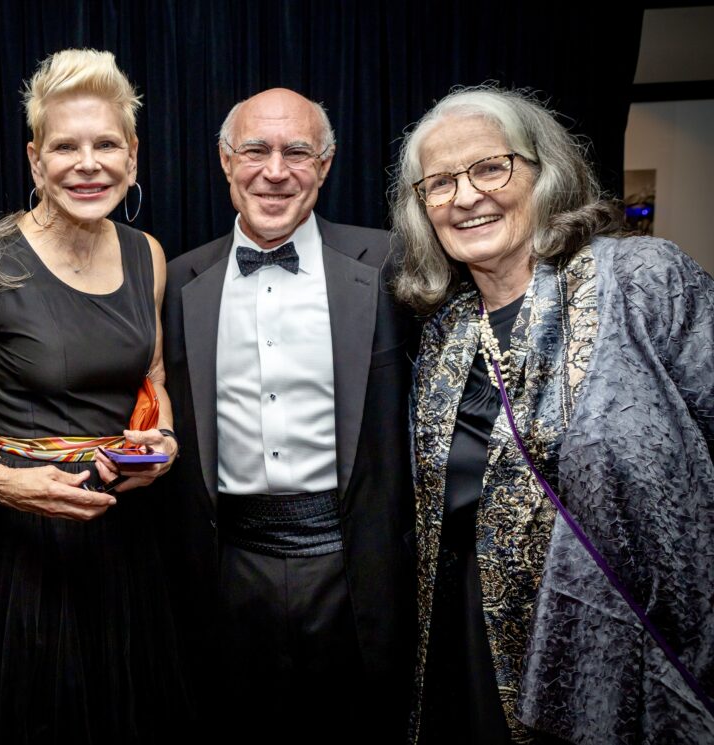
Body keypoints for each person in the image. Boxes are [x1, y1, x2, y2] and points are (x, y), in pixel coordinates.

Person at [391, 85, 714, 744]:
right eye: (440, 183)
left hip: (628, 656)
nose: (467, 196)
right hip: (477, 644)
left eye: (490, 167)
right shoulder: (445, 331)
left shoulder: (642, 280)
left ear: (547, 173)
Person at [0, 48, 187, 743]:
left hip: (127, 532)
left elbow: (154, 380)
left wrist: (162, 443)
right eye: (66, 147)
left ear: (133, 157)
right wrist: (3, 483)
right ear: (35, 160)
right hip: (28, 544)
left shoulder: (149, 255)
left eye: (106, 144)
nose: (88, 163)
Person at [162, 87, 418, 741]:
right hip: (228, 568)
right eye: (255, 149)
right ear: (225, 160)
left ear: (326, 165)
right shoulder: (178, 280)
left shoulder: (393, 264)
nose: (275, 171)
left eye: (296, 151)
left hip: (354, 565)